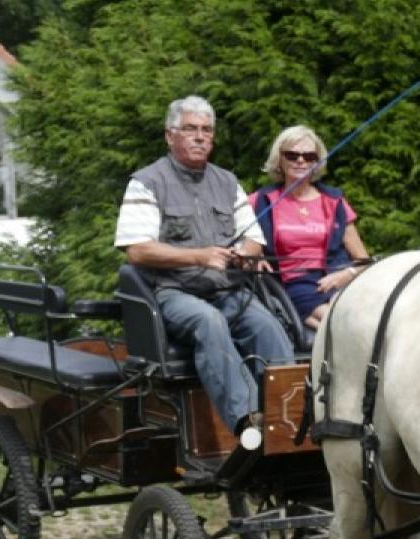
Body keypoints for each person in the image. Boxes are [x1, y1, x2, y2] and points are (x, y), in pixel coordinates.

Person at [114, 95, 294, 449]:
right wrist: (198, 257)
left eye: (206, 131)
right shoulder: (147, 182)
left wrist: (245, 254)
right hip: (172, 293)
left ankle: (288, 417)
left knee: (267, 326)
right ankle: (248, 423)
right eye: (190, 129)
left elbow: (254, 240)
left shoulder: (227, 182)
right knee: (209, 322)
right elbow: (137, 249)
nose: (199, 137)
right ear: (170, 135)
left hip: (227, 290)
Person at [248, 125, 369, 329]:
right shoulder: (260, 201)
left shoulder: (334, 201)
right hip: (295, 283)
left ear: (317, 161)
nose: (301, 161)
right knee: (340, 323)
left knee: (368, 318)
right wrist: (254, 256)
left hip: (339, 278)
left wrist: (345, 275)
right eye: (292, 155)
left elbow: (363, 260)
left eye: (309, 156)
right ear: (280, 159)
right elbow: (243, 243)